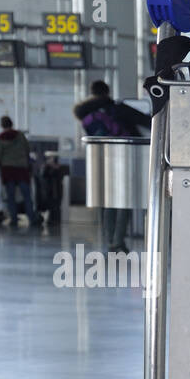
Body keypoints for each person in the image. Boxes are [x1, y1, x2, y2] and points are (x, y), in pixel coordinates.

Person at [73, 80, 150, 252]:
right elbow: (146, 121)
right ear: (107, 92)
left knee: (107, 202)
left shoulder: (85, 113)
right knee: (123, 202)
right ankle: (117, 241)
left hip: (100, 161)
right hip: (124, 159)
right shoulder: (116, 108)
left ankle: (109, 240)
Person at [0, 115, 40, 227]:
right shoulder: (20, 135)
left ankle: (13, 219)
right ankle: (31, 218)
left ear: (1, 125)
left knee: (11, 196)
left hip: (8, 169)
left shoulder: (0, 138)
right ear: (11, 123)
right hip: (21, 169)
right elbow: (27, 149)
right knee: (26, 195)